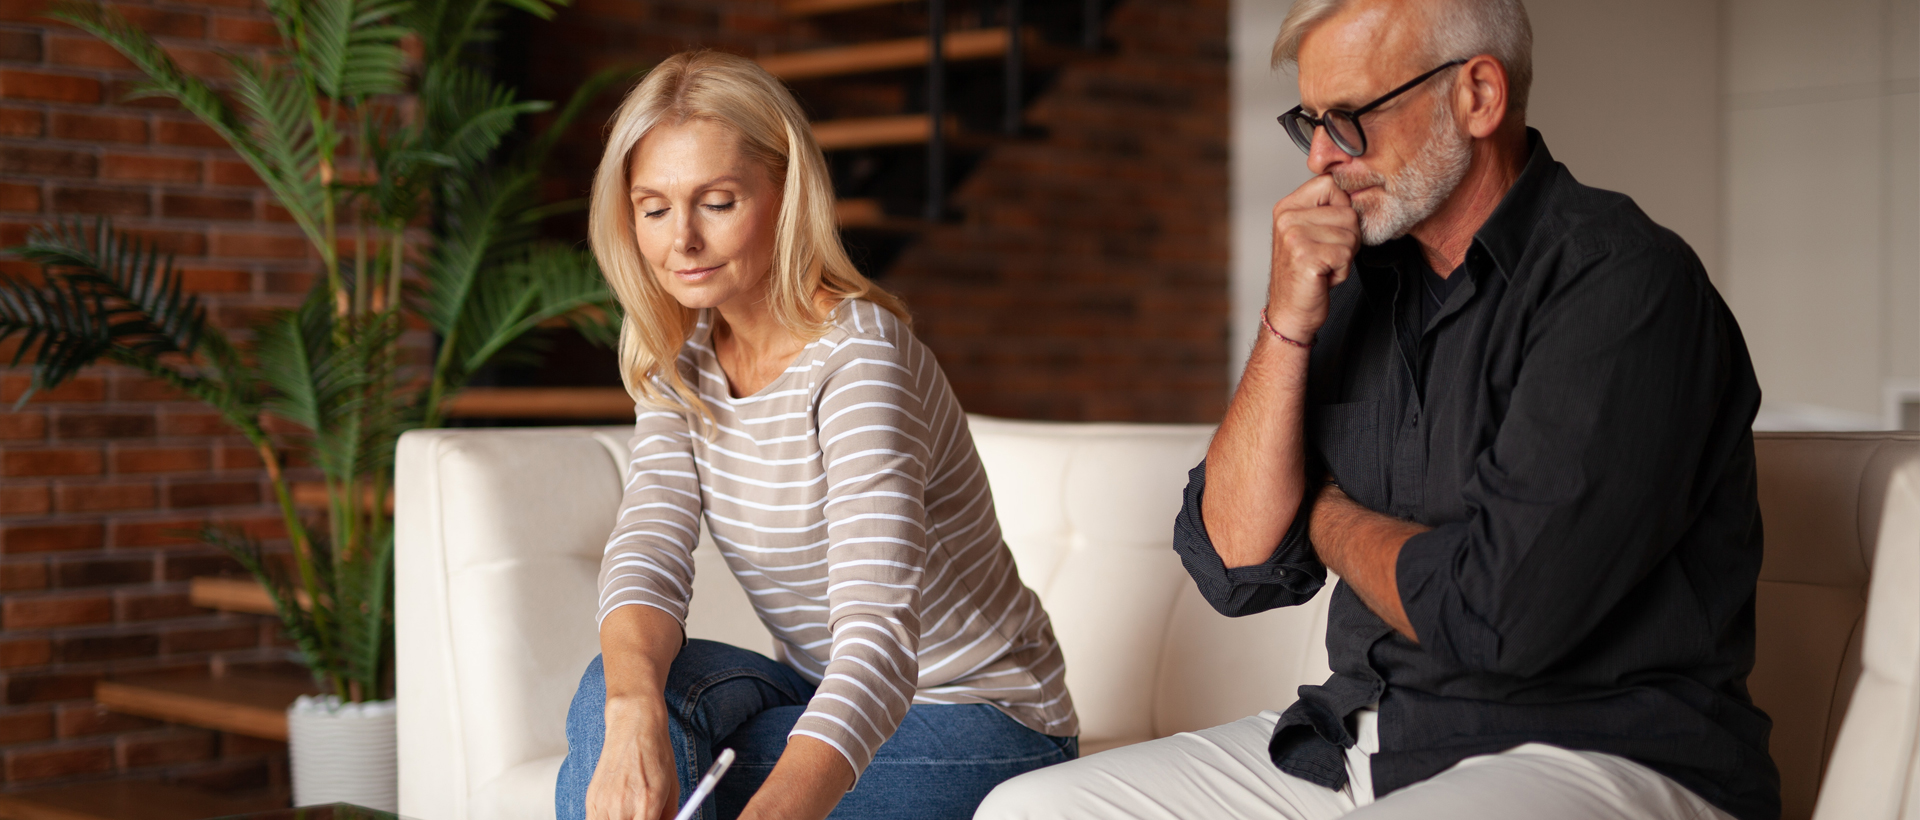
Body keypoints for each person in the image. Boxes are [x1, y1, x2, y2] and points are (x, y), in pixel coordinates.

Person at [976, 0, 1777, 819]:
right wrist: (1284, 323)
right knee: (1028, 811)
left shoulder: (1619, 284)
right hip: (1369, 737)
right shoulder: (1351, 284)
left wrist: (1323, 514)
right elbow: (1233, 562)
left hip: (1597, 752)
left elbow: (1495, 621)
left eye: (1352, 117)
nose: (1323, 157)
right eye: (1313, 120)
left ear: (1478, 97)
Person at [555, 51, 1078, 820]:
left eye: (718, 202)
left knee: (715, 782)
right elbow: (649, 549)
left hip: (979, 712)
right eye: (654, 207)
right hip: (813, 685)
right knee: (615, 694)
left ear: (786, 192)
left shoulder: (859, 359)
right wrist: (632, 717)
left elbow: (877, 640)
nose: (681, 242)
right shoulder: (681, 360)